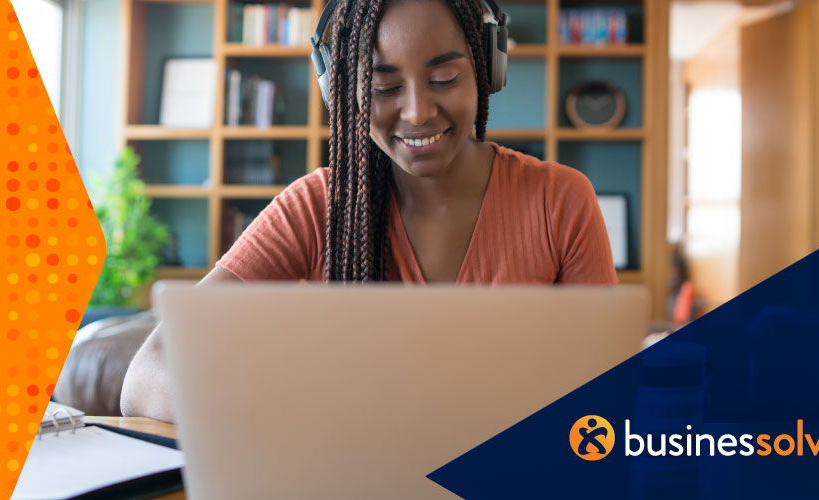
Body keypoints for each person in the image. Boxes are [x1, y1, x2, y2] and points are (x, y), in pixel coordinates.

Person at [121, 0, 616, 421]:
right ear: (343, 92)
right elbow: (147, 376)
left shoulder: (560, 201)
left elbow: (608, 400)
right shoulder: (316, 208)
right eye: (383, 88)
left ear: (488, 70)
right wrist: (282, 416)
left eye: (444, 78)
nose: (417, 111)